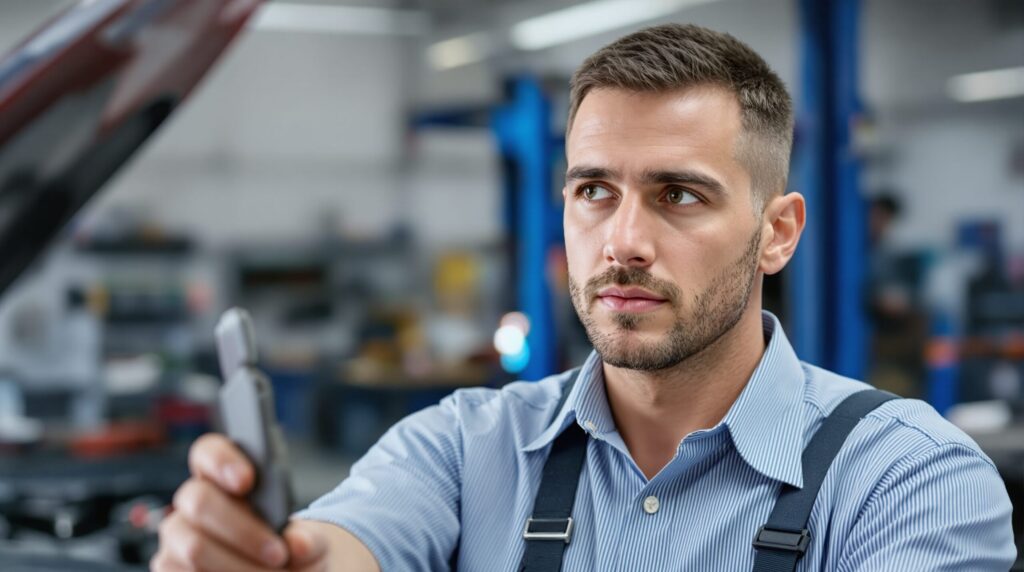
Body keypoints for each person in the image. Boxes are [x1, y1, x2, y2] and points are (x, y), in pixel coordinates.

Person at [152, 24, 1016, 571]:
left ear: (779, 232)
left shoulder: (909, 481)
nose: (624, 239)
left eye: (680, 194)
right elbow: (343, 548)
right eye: (594, 191)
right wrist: (263, 557)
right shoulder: (465, 450)